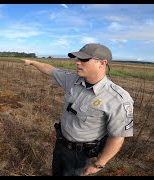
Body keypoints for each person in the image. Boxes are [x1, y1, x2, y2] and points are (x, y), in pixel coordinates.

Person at [22, 43, 134, 176]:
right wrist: (32, 62)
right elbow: (50, 70)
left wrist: (99, 164)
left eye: (84, 60)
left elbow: (117, 137)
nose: (77, 63)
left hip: (82, 156)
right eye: (77, 59)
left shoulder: (117, 99)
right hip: (61, 144)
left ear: (102, 63)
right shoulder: (73, 80)